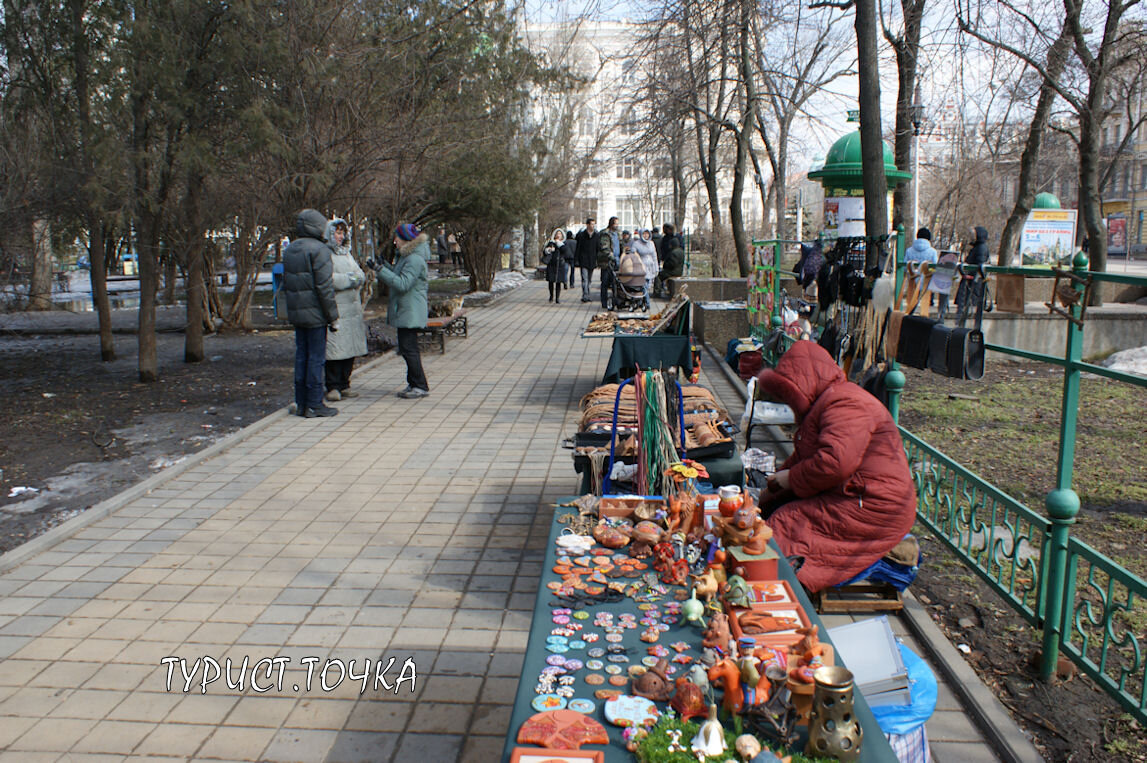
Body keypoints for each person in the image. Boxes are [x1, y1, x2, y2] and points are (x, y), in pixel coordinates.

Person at [755, 341, 916, 593]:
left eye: (789, 395)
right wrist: (769, 492)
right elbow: (804, 459)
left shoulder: (847, 403)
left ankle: (782, 587)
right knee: (775, 513)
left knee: (789, 523)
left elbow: (835, 463)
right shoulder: (827, 402)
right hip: (857, 494)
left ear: (803, 385)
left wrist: (789, 479)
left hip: (875, 506)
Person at [283, 209, 340, 418]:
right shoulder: (320, 250)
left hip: (298, 313)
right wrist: (332, 316)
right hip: (316, 314)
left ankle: (301, 402)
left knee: (301, 357)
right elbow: (325, 287)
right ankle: (316, 403)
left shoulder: (290, 250)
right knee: (316, 359)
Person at [376, 223, 430, 399]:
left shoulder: (414, 259)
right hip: (407, 309)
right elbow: (398, 275)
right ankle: (414, 383)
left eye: (397, 238)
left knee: (409, 349)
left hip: (411, 310)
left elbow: (403, 284)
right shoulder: (406, 257)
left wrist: (381, 271)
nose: (395, 241)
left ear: (406, 240)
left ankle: (420, 385)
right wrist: (383, 266)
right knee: (407, 348)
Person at [323, 218, 367, 402]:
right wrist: (350, 280)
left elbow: (360, 275)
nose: (340, 237)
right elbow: (328, 279)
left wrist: (355, 278)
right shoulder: (325, 254)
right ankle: (332, 386)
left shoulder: (347, 254)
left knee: (349, 349)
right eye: (337, 232)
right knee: (335, 351)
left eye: (342, 233)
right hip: (337, 310)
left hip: (352, 310)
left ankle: (345, 383)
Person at [955, 225, 990, 325]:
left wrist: (971, 275)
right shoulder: (978, 247)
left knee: (968, 305)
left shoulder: (980, 248)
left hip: (972, 283)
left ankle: (961, 324)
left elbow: (979, 265)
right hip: (971, 282)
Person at [902, 227, 938, 313]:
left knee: (912, 304)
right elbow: (935, 267)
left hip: (913, 282)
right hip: (927, 282)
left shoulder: (909, 251)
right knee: (926, 307)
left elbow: (904, 266)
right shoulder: (932, 251)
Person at [542, 229, 571, 303]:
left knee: (558, 282)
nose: (558, 235)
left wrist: (560, 244)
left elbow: (566, 251)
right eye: (557, 233)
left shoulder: (563, 243)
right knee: (551, 281)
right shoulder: (551, 242)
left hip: (560, 264)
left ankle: (557, 298)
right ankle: (551, 296)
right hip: (551, 264)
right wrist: (548, 250)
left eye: (560, 234)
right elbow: (544, 251)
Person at [597, 216, 621, 308]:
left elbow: (621, 244)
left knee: (616, 283)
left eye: (618, 223)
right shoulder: (605, 234)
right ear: (611, 224)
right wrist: (611, 256)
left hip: (617, 261)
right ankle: (604, 302)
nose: (617, 225)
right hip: (607, 263)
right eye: (615, 223)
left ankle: (616, 301)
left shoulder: (618, 233)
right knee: (605, 283)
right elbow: (604, 248)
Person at [574, 217, 598, 303]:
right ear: (587, 225)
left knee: (589, 279)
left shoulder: (596, 235)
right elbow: (578, 248)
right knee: (585, 279)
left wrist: (597, 260)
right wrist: (576, 260)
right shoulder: (582, 235)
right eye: (591, 224)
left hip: (592, 260)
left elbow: (597, 248)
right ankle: (585, 295)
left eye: (594, 224)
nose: (593, 226)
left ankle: (588, 294)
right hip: (583, 260)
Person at [656, 229, 684, 297]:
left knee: (658, 276)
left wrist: (665, 265)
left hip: (673, 271)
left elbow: (672, 264)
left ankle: (657, 292)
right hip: (679, 271)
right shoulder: (681, 251)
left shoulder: (674, 252)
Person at [632, 228, 659, 298]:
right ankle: (647, 302)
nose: (645, 235)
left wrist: (656, 267)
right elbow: (633, 255)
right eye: (644, 234)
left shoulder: (651, 243)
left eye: (647, 234)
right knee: (644, 285)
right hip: (641, 267)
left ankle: (644, 300)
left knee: (648, 285)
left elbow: (654, 256)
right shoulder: (636, 243)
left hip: (650, 266)